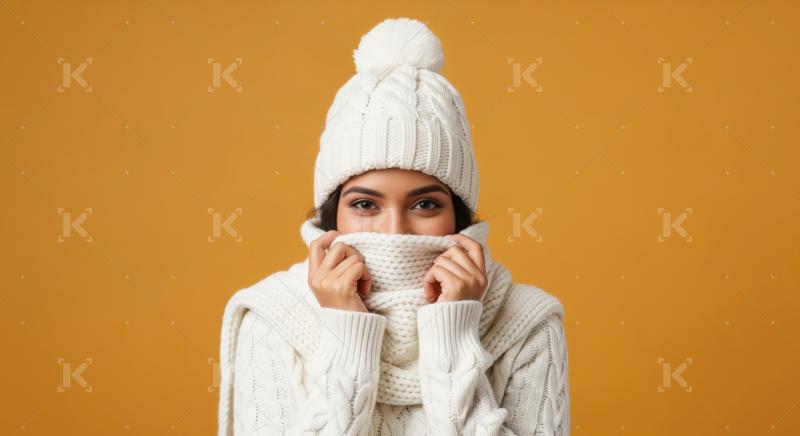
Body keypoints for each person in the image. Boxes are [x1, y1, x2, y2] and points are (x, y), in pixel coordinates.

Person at [217, 17, 569, 435]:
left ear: (458, 214)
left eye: (424, 204)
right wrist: (347, 337)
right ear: (333, 217)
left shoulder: (526, 320)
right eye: (366, 204)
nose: (394, 231)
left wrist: (453, 338)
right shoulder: (274, 317)